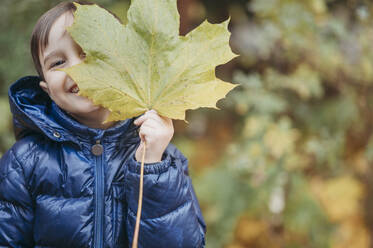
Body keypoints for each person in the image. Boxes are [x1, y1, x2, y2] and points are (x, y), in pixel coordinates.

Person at [0, 1, 206, 247]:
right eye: (57, 63)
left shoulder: (164, 160)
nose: (77, 68)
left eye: (88, 52)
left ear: (122, 63)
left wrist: (151, 168)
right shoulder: (24, 163)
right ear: (47, 90)